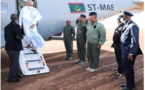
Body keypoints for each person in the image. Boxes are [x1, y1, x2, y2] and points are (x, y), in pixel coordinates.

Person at [119, 11, 143, 90]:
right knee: (126, 68)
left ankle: (130, 86)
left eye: (123, 17)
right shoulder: (127, 25)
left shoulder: (133, 26)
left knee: (128, 68)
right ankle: (129, 83)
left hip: (129, 51)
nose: (122, 19)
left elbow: (134, 41)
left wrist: (131, 53)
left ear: (127, 17)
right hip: (125, 50)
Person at [4, 14, 23, 82]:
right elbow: (18, 36)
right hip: (14, 48)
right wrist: (22, 36)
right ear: (17, 19)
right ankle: (11, 78)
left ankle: (17, 74)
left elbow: (6, 38)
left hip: (8, 47)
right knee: (14, 63)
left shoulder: (6, 27)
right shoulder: (16, 26)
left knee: (15, 61)